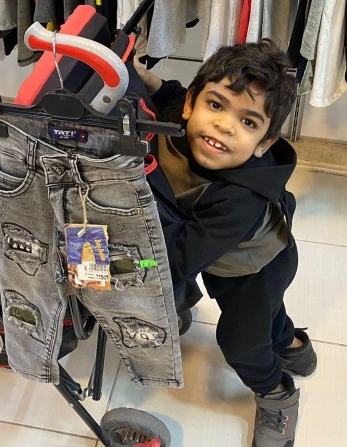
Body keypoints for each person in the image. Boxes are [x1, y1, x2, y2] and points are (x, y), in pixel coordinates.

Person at [134, 40, 317, 447]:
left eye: (248, 122)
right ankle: (291, 345)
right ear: (191, 104)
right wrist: (147, 79)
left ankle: (277, 395)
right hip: (223, 256)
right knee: (266, 316)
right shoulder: (175, 119)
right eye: (216, 105)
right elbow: (168, 95)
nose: (224, 125)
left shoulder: (239, 200)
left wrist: (131, 264)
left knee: (242, 341)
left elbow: (178, 260)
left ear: (264, 144)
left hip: (256, 269)